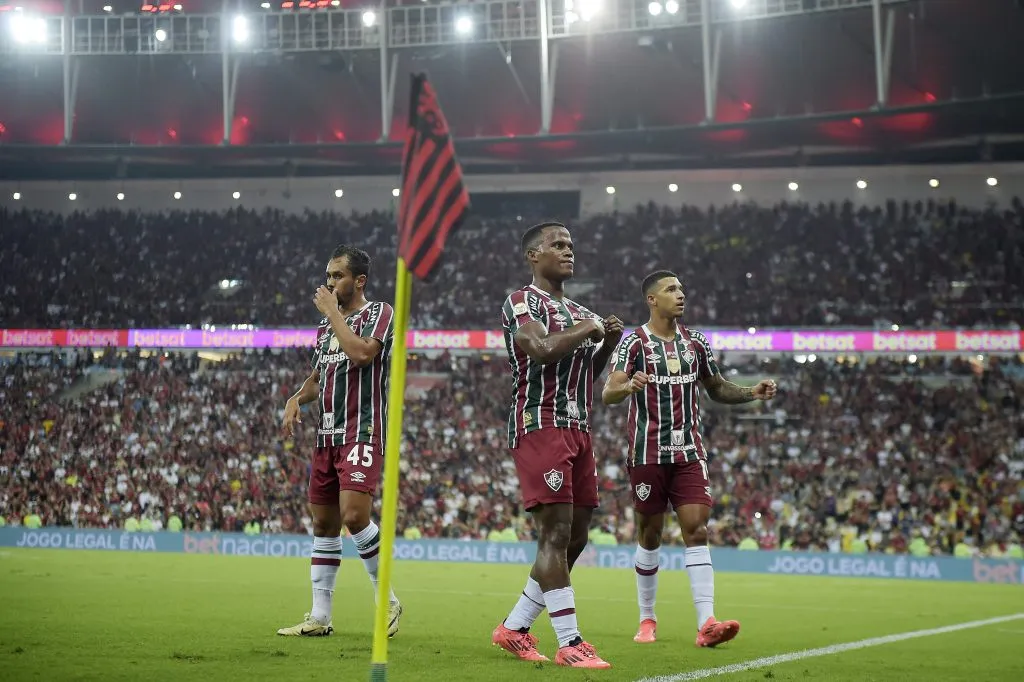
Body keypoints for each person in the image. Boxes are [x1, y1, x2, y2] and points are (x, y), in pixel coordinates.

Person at [602, 270, 777, 646]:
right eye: (670, 289)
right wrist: (628, 386)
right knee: (650, 535)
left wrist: (752, 392)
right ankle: (647, 618)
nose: (680, 294)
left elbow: (716, 387)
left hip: (689, 453)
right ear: (652, 299)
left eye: (681, 288)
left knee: (697, 529)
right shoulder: (634, 344)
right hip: (647, 452)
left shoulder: (696, 343)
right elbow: (608, 392)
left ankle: (706, 622)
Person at [491, 221, 623, 669]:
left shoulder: (580, 310)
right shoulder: (520, 301)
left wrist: (609, 343)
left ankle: (513, 628)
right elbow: (541, 350)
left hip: (578, 428)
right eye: (558, 245)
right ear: (534, 255)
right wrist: (587, 329)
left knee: (577, 537)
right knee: (554, 534)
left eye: (571, 245)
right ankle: (570, 642)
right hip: (539, 423)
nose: (568, 252)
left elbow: (587, 373)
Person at [277, 245, 403, 638]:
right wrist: (296, 398)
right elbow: (319, 377)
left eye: (338, 276)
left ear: (359, 280)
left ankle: (389, 601)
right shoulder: (324, 329)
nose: (330, 283)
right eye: (328, 276)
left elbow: (363, 354)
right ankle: (319, 616)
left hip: (362, 429)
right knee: (325, 524)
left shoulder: (378, 313)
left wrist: (333, 314)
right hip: (327, 434)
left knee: (353, 516)